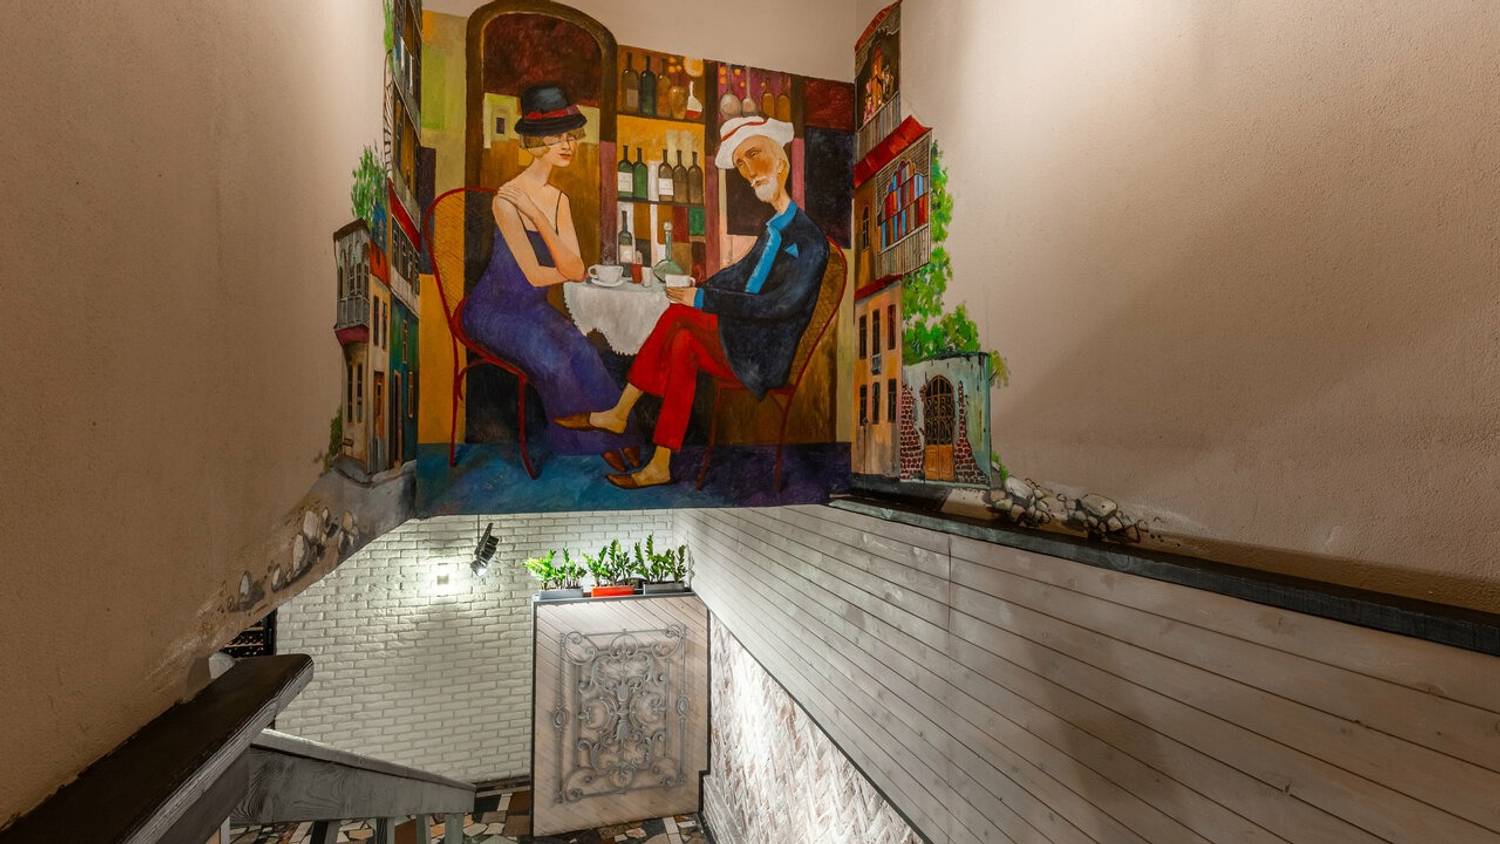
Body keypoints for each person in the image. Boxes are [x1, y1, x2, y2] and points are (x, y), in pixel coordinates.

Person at [555, 116, 829, 488]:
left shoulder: (810, 240)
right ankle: (660, 463)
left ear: (781, 161)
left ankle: (619, 412)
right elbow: (737, 278)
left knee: (679, 317)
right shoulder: (772, 230)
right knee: (682, 341)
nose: (748, 171)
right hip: (738, 340)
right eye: (741, 164)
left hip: (761, 356)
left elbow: (778, 306)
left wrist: (700, 298)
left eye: (753, 155)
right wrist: (697, 286)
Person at [459, 83, 639, 472]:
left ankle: (618, 435)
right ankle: (589, 446)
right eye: (558, 136)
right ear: (537, 140)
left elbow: (575, 269)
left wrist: (539, 216)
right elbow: (536, 274)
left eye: (571, 135)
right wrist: (565, 265)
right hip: (493, 312)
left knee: (585, 353)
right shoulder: (506, 199)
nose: (568, 144)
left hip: (533, 309)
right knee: (554, 362)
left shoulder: (559, 200)